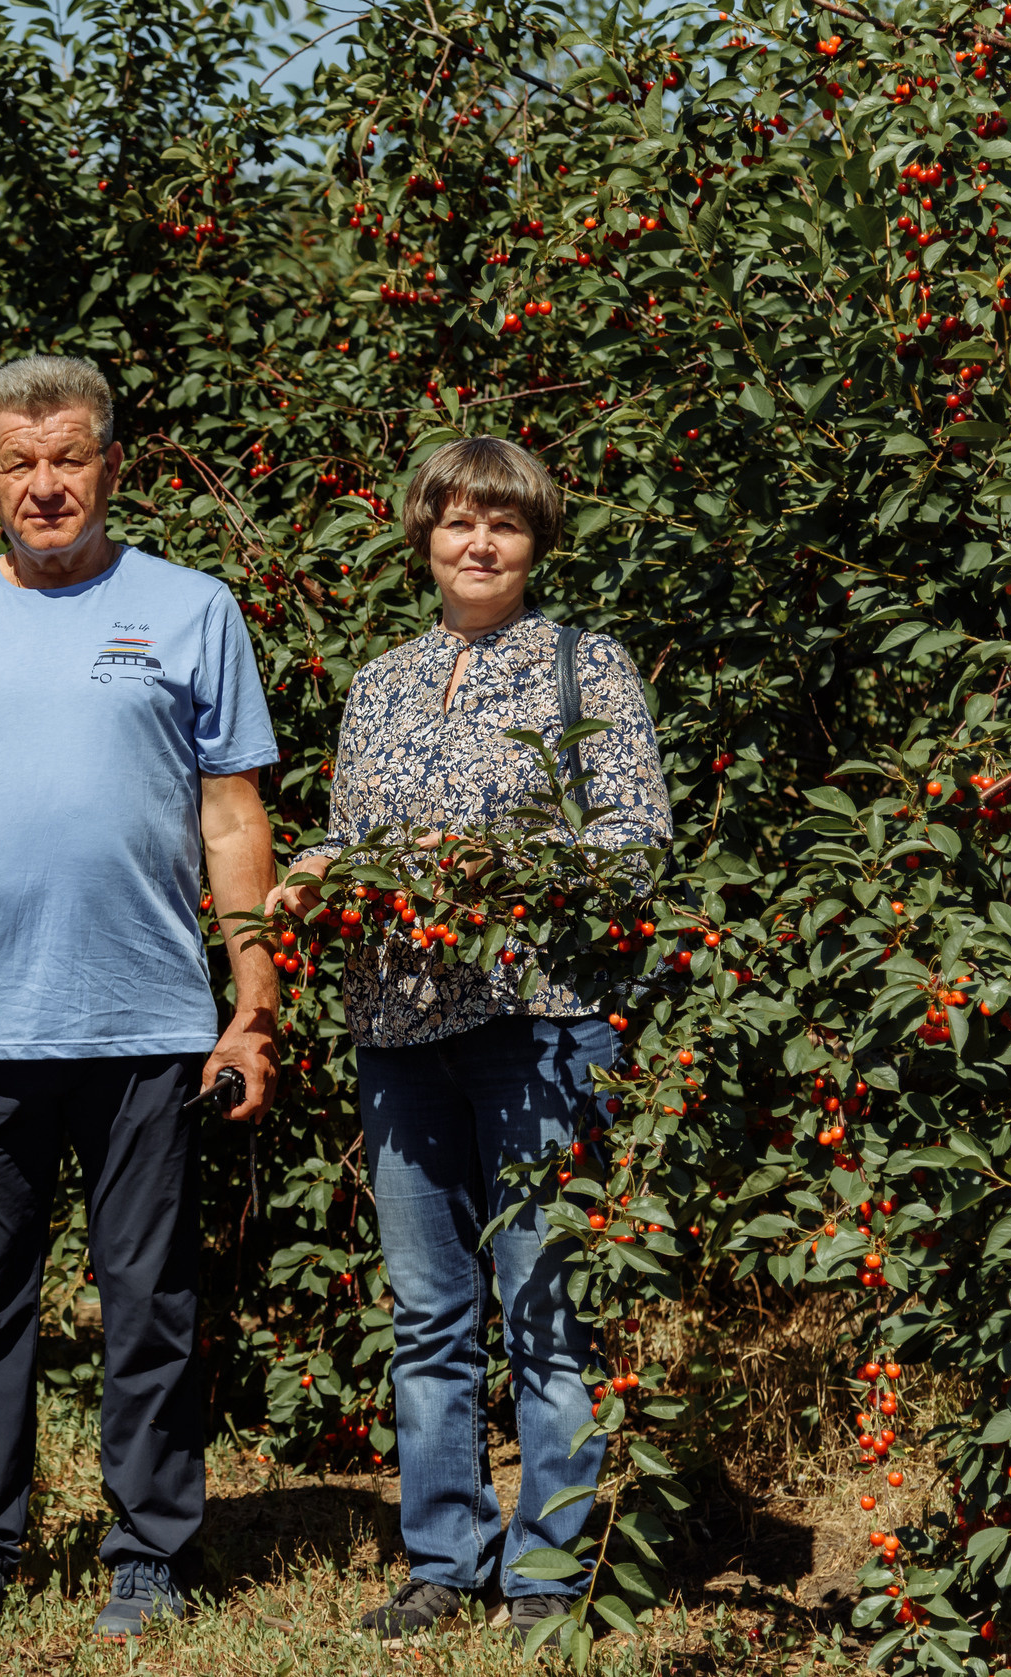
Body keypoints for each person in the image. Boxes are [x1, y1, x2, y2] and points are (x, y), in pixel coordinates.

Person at [0, 355, 282, 1647]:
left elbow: (232, 813)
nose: (47, 485)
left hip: (147, 1022)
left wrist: (252, 999)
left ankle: (147, 1551)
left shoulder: (193, 608)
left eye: (70, 458)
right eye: (22, 464)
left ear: (111, 468)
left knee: (149, 1300)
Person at [266, 436, 671, 1640]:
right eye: (456, 522)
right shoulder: (381, 681)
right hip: (397, 1024)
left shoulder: (581, 668)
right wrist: (312, 873)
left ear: (536, 540)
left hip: (537, 1024)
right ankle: (444, 1557)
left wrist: (494, 865)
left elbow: (635, 843)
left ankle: (548, 1575)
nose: (478, 542)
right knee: (429, 1308)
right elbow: (353, 838)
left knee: (545, 1299)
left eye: (502, 523)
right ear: (423, 537)